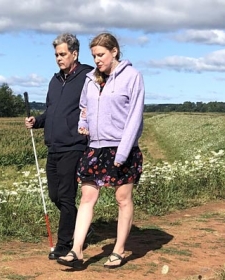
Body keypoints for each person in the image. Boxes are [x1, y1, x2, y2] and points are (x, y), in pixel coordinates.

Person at [57, 32, 145, 269]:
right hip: (94, 147)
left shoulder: (132, 77)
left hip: (120, 147)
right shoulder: (90, 79)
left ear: (114, 51)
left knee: (122, 198)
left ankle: (118, 251)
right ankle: (76, 250)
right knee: (87, 196)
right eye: (94, 55)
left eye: (101, 55)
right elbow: (84, 106)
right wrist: (83, 125)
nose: (96, 60)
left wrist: (123, 152)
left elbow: (135, 117)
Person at [25, 33, 95, 260]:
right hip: (53, 146)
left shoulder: (87, 76)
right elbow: (51, 112)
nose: (58, 58)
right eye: (56, 54)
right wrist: (37, 121)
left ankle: (65, 244)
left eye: (62, 54)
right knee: (55, 195)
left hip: (74, 145)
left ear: (74, 54)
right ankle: (80, 225)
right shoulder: (55, 81)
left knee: (66, 196)